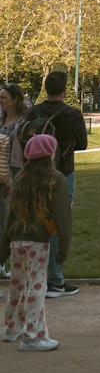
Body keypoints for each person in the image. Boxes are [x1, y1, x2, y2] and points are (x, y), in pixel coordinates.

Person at [1, 133, 71, 350]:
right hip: (39, 241)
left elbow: (9, 216)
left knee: (18, 285)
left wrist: (2, 250)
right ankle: (34, 335)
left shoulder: (21, 178)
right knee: (37, 285)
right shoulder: (55, 178)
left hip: (17, 240)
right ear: (50, 154)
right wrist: (63, 249)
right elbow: (62, 214)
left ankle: (12, 328)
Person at [23, 71, 87, 298]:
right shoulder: (71, 114)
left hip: (33, 173)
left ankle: (32, 273)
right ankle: (55, 279)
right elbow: (83, 144)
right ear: (64, 89)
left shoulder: (32, 111)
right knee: (58, 221)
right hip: (62, 171)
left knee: (36, 220)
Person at [0, 83, 29, 277]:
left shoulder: (24, 122)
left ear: (15, 99)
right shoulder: (0, 119)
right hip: (0, 176)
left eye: (4, 98)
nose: (0, 101)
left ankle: (17, 263)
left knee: (14, 220)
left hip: (16, 175)